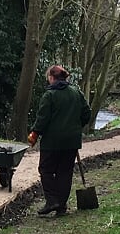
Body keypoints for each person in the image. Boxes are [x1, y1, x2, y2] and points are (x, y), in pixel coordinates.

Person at [28, 65, 91, 216]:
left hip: (52, 142)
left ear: (51, 77)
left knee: (46, 170)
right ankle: (61, 206)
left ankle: (52, 201)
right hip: (72, 141)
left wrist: (35, 133)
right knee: (65, 172)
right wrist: (76, 127)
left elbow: (42, 118)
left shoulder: (50, 95)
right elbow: (86, 113)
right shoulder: (76, 92)